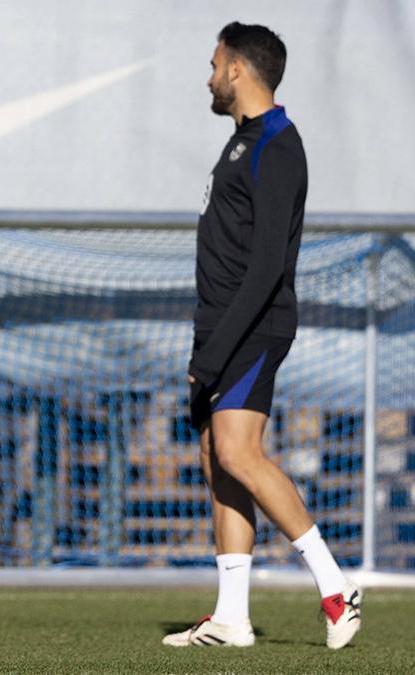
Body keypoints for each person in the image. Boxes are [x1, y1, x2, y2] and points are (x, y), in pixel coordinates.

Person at [163, 22, 360, 650]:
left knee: (240, 454)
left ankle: (336, 588)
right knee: (218, 462)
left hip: (255, 326)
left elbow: (269, 263)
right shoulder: (241, 141)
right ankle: (230, 618)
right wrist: (205, 343)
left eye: (215, 63)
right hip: (220, 329)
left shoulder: (278, 142)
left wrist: (218, 349)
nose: (209, 75)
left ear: (239, 70)